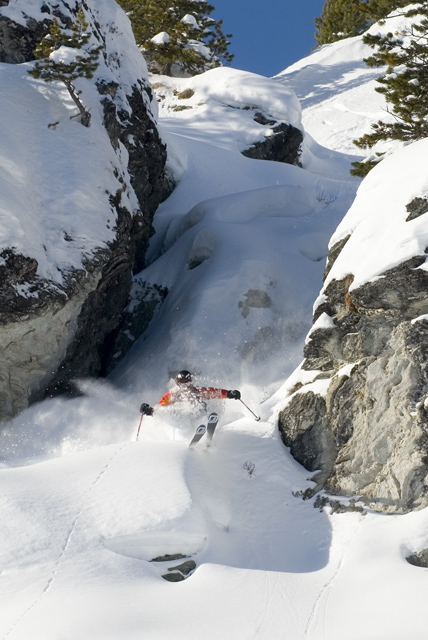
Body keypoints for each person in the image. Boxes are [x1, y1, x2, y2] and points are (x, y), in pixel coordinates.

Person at [140, 370, 241, 416]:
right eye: (182, 384)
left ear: (191, 382)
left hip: (199, 415)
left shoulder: (197, 391)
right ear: (178, 384)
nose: (185, 387)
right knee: (174, 409)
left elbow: (214, 392)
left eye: (187, 383)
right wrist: (150, 410)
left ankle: (205, 424)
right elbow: (161, 406)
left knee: (199, 405)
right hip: (183, 419)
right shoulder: (174, 394)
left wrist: (229, 393)